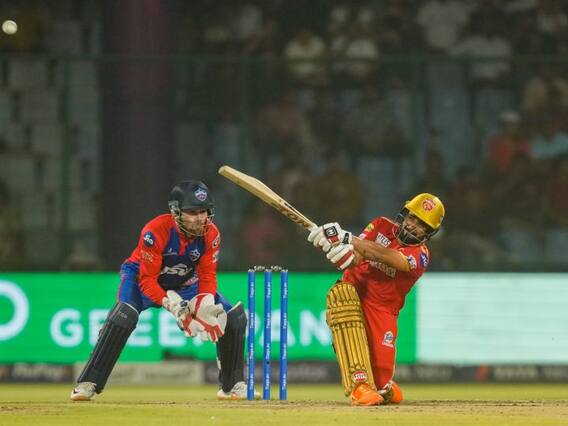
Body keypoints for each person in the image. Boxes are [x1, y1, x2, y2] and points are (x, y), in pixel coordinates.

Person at [71, 180, 257, 401]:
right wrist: (171, 304)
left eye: (204, 211)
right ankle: (87, 383)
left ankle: (232, 386)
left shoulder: (212, 234)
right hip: (141, 278)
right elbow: (148, 280)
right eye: (192, 212)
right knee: (123, 316)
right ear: (176, 212)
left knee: (233, 317)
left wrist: (204, 301)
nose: (200, 218)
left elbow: (207, 275)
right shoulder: (155, 231)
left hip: (185, 281)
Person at [307, 193, 445, 406]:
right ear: (405, 214)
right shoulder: (381, 225)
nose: (412, 226)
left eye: (421, 225)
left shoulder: (421, 255)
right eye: (412, 218)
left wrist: (347, 238)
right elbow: (358, 256)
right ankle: (359, 386)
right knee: (343, 299)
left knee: (381, 382)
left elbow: (385, 256)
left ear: (429, 232)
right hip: (353, 289)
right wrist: (338, 249)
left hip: (382, 309)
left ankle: (384, 386)